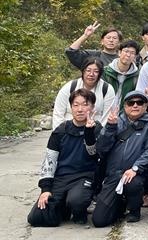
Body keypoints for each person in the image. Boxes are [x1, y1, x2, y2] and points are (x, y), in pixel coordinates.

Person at [27, 88, 101, 227]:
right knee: (36, 218)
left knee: (76, 201)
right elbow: (50, 161)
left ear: (92, 107)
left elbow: (95, 154)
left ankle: (79, 211)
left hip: (85, 177)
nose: (80, 109)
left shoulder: (98, 129)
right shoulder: (61, 131)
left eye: (85, 104)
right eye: (76, 105)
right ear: (71, 107)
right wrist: (45, 189)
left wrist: (89, 133)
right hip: (61, 178)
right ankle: (63, 208)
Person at [92, 91, 148, 226]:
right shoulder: (116, 121)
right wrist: (110, 127)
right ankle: (119, 205)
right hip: (114, 174)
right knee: (99, 220)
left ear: (146, 106)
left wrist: (136, 168)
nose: (135, 106)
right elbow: (101, 149)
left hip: (137, 173)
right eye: (131, 103)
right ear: (125, 106)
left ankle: (134, 210)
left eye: (139, 103)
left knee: (133, 183)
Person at [52, 58, 115, 129]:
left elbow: (107, 117)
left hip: (94, 131)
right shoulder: (70, 87)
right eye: (88, 70)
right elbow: (58, 114)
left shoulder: (107, 89)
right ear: (83, 71)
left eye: (96, 71)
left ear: (100, 73)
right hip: (68, 132)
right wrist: (59, 133)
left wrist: (99, 135)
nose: (91, 74)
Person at [103, 40, 140, 111]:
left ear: (135, 57)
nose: (128, 55)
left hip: (125, 115)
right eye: (126, 51)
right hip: (104, 112)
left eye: (132, 53)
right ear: (119, 52)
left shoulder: (136, 76)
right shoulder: (105, 72)